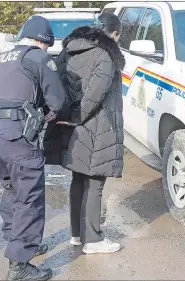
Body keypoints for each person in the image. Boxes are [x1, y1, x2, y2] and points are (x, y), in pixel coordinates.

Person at [0, 15, 66, 281]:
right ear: (43, 41)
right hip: (18, 135)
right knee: (30, 196)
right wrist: (47, 116)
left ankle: (16, 238)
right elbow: (58, 100)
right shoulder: (38, 58)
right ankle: (19, 265)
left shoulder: (0, 59)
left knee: (12, 189)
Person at [43, 13, 125, 254]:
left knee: (79, 179)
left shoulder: (68, 51)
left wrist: (69, 117)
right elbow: (96, 94)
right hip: (97, 125)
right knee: (95, 181)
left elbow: (58, 85)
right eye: (117, 35)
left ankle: (77, 235)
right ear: (113, 33)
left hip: (72, 126)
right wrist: (79, 116)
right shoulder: (105, 54)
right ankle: (94, 240)